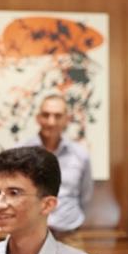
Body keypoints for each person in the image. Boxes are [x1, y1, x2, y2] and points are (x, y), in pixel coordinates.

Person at [18, 93, 93, 241]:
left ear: (67, 119)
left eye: (58, 116)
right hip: (29, 235)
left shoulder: (80, 155)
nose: (51, 122)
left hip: (69, 236)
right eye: (46, 115)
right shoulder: (20, 153)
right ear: (38, 118)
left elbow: (85, 196)